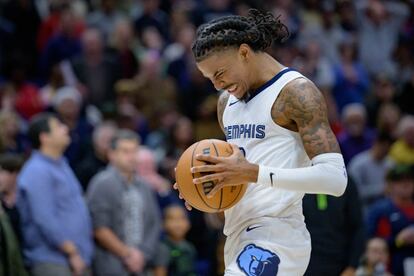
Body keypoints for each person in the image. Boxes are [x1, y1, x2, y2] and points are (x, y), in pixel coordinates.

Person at [175, 9, 347, 275]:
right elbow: (236, 173)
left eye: (220, 73)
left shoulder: (296, 92)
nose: (217, 85)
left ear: (244, 53)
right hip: (236, 236)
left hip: (277, 235)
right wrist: (201, 182)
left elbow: (335, 180)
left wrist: (253, 173)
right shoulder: (226, 103)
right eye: (210, 79)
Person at [17, 112, 93, 276]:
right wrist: (70, 250)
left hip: (76, 258)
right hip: (53, 261)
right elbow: (44, 218)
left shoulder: (61, 164)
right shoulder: (37, 170)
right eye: (58, 126)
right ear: (44, 137)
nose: (65, 129)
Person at [86, 129, 162, 276]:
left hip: (143, 262)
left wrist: (142, 254)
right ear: (112, 154)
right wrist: (128, 254)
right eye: (125, 151)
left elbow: (154, 222)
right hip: (111, 263)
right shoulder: (102, 183)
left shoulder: (144, 186)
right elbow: (99, 228)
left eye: (134, 151)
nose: (131, 157)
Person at [303, 178, 365, 276]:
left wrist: (352, 266)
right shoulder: (296, 178)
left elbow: (357, 227)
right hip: (304, 263)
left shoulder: (345, 181)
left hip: (340, 263)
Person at [366, 164, 414, 276]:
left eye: (410, 179)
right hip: (390, 268)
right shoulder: (380, 210)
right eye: (399, 180)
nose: (405, 184)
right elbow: (371, 242)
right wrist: (399, 240)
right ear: (390, 184)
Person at [159, 204, 197, 276]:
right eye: (172, 218)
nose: (178, 223)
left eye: (182, 218)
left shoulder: (190, 247)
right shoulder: (162, 249)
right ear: (163, 223)